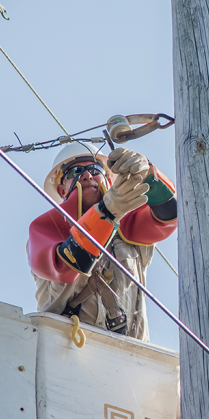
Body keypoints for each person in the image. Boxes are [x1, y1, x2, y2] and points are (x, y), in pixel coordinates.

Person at [27, 142, 177, 341]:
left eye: (95, 169)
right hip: (67, 349)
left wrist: (149, 174)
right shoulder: (49, 231)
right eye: (76, 171)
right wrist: (106, 213)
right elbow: (67, 263)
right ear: (62, 190)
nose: (87, 175)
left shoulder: (129, 230)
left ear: (108, 179)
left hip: (131, 355)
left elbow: (170, 214)